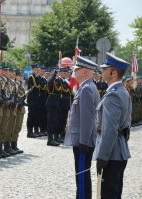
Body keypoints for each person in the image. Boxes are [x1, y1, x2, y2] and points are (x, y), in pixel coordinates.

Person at [93, 53, 131, 199]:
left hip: (111, 155)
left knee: (108, 194)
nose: (102, 72)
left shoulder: (113, 95)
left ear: (113, 73)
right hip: (118, 152)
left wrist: (102, 157)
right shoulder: (122, 91)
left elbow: (109, 131)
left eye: (105, 69)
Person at [64, 56, 100, 199]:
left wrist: (84, 141)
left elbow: (87, 118)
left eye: (76, 70)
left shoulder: (86, 89)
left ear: (84, 72)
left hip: (82, 142)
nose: (74, 73)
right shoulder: (86, 87)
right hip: (82, 140)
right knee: (82, 176)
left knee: (81, 176)